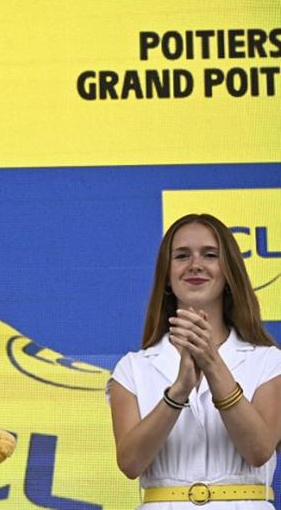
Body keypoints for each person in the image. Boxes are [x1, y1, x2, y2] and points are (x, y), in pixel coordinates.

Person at [107, 213, 281, 507]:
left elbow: (259, 449)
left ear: (228, 274)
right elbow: (130, 463)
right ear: (166, 276)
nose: (195, 265)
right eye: (182, 256)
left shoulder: (269, 361)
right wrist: (179, 390)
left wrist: (211, 363)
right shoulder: (132, 368)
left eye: (210, 255)